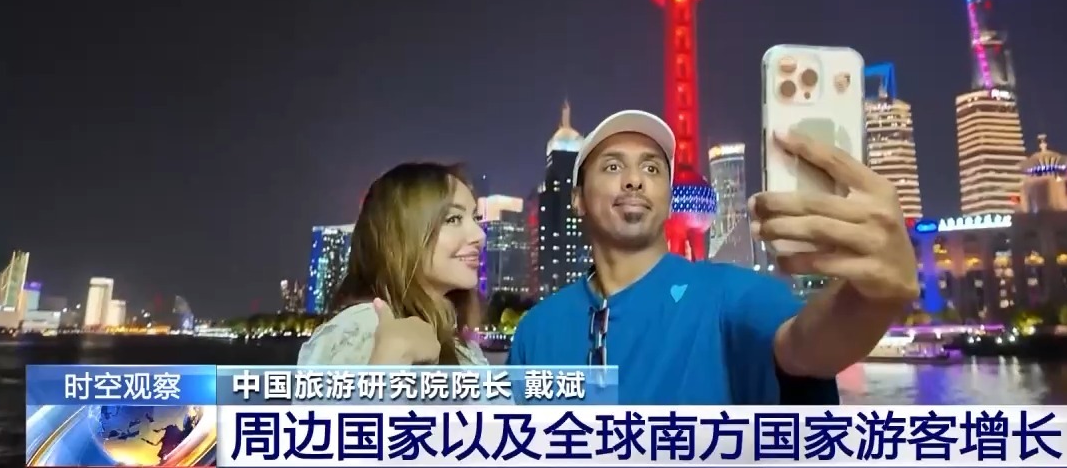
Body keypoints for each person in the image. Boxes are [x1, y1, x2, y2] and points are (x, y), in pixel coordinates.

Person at [508, 110, 919, 404]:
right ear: (578, 199)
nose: (634, 180)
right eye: (613, 167)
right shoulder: (536, 330)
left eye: (652, 170)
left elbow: (806, 345)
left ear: (669, 198)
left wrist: (872, 299)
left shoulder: (729, 297)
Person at [298, 162, 489, 366]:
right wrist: (391, 358)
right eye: (453, 219)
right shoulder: (365, 331)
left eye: (475, 218)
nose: (480, 236)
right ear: (401, 235)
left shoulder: (458, 341)